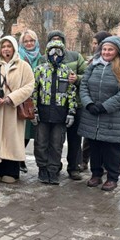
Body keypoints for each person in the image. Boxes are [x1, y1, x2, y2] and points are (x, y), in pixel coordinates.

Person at [78, 36, 120, 191]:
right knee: (95, 146)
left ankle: (112, 177)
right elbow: (83, 85)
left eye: (110, 49)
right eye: (104, 49)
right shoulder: (94, 64)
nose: (106, 52)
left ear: (117, 51)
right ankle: (96, 174)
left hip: (113, 115)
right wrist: (89, 103)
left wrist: (105, 106)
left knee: (112, 148)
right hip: (93, 114)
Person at [0, 36, 34, 183]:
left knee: (11, 140)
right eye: (3, 46)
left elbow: (29, 85)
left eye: (9, 46)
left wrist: (12, 98)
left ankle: (11, 172)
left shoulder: (23, 66)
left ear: (14, 48)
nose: (6, 49)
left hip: (13, 110)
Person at [31, 39, 77, 185]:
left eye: (58, 51)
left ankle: (53, 170)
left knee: (57, 145)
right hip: (43, 114)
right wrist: (34, 111)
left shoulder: (67, 71)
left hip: (60, 115)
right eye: (52, 51)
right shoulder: (40, 70)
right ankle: (42, 169)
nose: (55, 55)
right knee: (41, 143)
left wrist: (71, 112)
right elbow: (33, 92)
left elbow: (71, 93)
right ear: (47, 53)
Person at [45, 30, 87, 180]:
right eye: (53, 39)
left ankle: (74, 167)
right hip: (53, 105)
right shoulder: (45, 58)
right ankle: (54, 166)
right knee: (54, 140)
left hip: (74, 104)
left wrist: (77, 78)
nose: (56, 42)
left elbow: (87, 75)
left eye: (59, 39)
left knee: (75, 138)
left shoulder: (75, 56)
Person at [80, 30, 111, 171]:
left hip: (107, 106)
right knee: (89, 136)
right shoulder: (93, 61)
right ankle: (84, 161)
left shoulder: (117, 62)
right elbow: (85, 82)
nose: (93, 46)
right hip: (91, 104)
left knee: (105, 138)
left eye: (95, 43)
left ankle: (104, 164)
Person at [18, 29, 46, 173]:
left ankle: (21, 157)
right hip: (22, 97)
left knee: (31, 131)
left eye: (31, 41)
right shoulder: (19, 56)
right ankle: (18, 158)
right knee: (20, 129)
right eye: (26, 41)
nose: (29, 43)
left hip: (37, 98)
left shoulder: (41, 58)